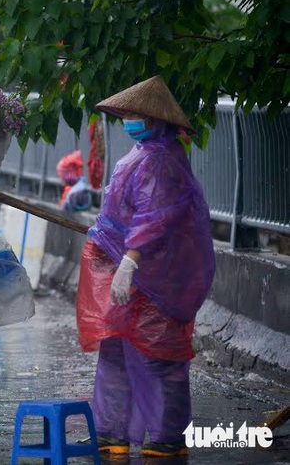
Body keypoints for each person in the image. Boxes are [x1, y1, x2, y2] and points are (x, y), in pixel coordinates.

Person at [76, 76, 215, 457]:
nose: (128, 119)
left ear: (155, 120)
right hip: (133, 276)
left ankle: (166, 437)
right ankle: (111, 431)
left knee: (158, 354)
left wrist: (130, 262)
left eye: (135, 114)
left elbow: (155, 218)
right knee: (117, 351)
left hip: (155, 278)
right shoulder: (144, 153)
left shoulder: (161, 160)